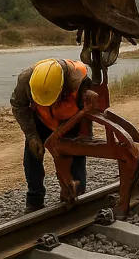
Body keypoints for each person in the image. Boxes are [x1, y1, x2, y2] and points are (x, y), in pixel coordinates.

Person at [10, 58, 96, 211]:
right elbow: (18, 104)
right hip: (41, 121)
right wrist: (31, 135)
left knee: (75, 159)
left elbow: (88, 115)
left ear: (62, 87)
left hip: (71, 122)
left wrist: (83, 141)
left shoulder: (80, 80)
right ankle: (34, 200)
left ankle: (76, 194)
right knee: (32, 157)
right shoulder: (26, 79)